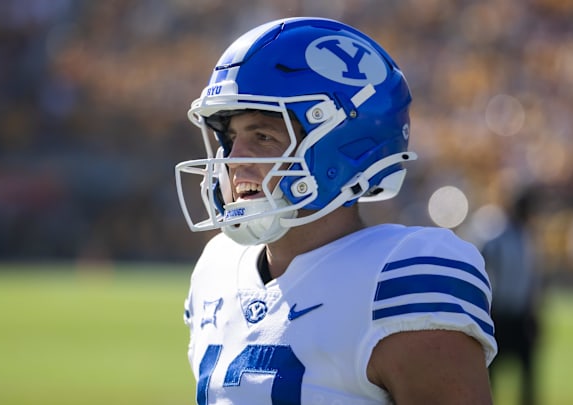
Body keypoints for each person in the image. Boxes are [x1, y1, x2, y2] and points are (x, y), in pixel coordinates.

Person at [176, 17, 497, 404]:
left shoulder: (401, 276)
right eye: (230, 139)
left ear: (338, 145)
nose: (234, 160)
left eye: (262, 136)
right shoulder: (216, 269)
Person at [481, 191, 541, 405]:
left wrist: (534, 310)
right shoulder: (495, 236)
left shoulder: (528, 237)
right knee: (491, 373)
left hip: (521, 313)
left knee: (528, 374)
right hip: (499, 312)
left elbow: (533, 277)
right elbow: (482, 266)